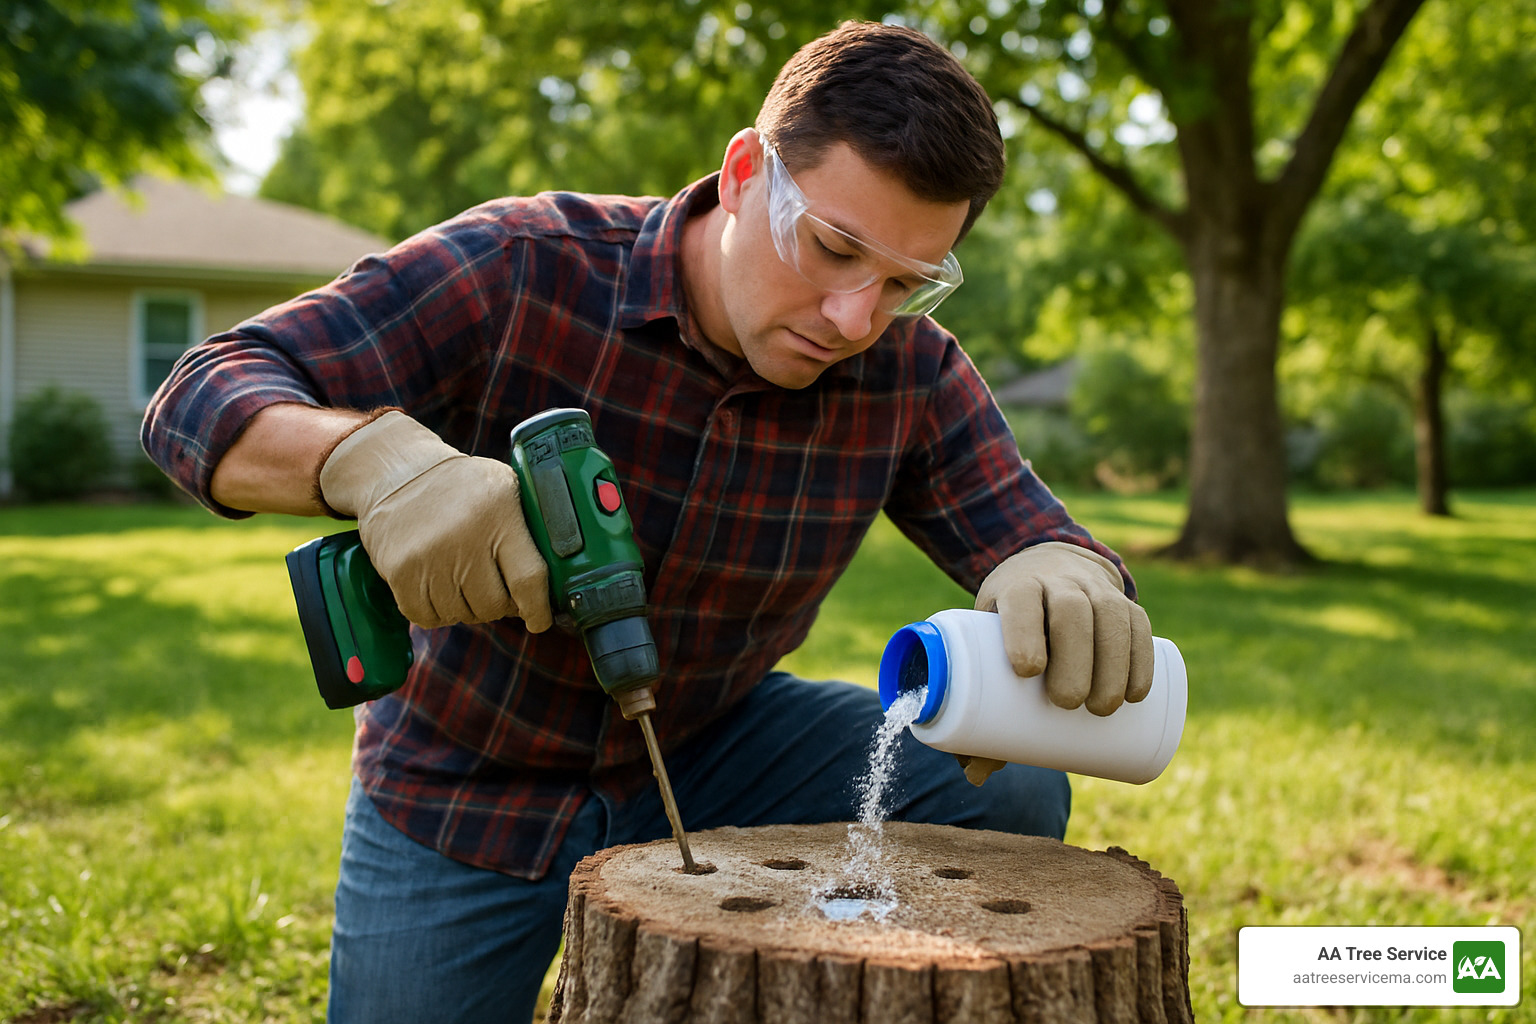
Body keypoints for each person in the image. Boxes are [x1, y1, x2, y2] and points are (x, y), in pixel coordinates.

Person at [143, 19, 1154, 1023]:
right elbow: (199, 393)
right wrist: (372, 462)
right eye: (835, 247)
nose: (857, 318)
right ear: (748, 169)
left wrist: (1064, 568)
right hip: (463, 785)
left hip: (719, 746)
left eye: (905, 282)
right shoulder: (525, 264)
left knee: (1008, 788)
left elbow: (1033, 532)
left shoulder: (910, 369)